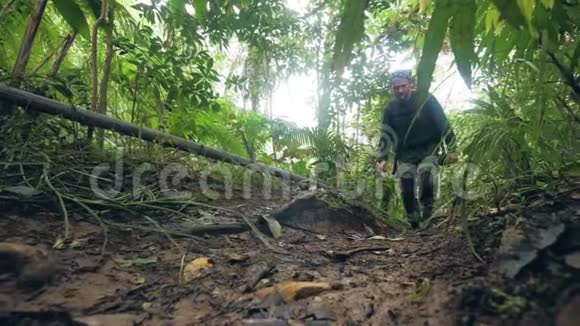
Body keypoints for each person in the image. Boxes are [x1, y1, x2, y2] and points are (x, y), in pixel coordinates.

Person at [377, 70, 458, 229]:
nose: (400, 90)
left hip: (429, 148)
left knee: (426, 174)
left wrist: (452, 148)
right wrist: (383, 158)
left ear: (411, 85)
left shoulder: (425, 100)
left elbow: (442, 122)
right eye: (396, 88)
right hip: (406, 153)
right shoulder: (390, 109)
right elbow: (386, 133)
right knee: (406, 186)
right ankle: (414, 223)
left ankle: (428, 215)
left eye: (403, 86)